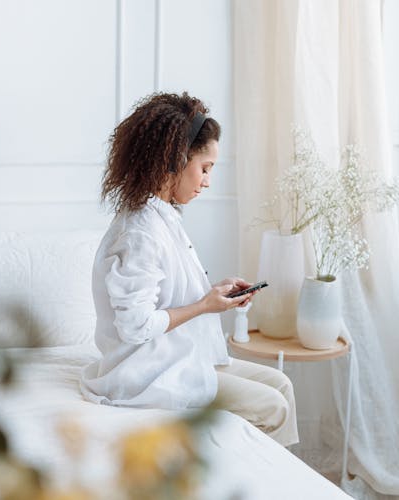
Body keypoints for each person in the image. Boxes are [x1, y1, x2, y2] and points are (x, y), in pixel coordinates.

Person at [80, 92, 298, 447]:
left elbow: (166, 293)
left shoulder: (162, 215)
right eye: (205, 168)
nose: (208, 181)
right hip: (148, 375)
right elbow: (136, 326)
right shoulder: (139, 233)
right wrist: (204, 306)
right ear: (175, 160)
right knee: (273, 405)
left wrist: (216, 294)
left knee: (283, 385)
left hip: (176, 356)